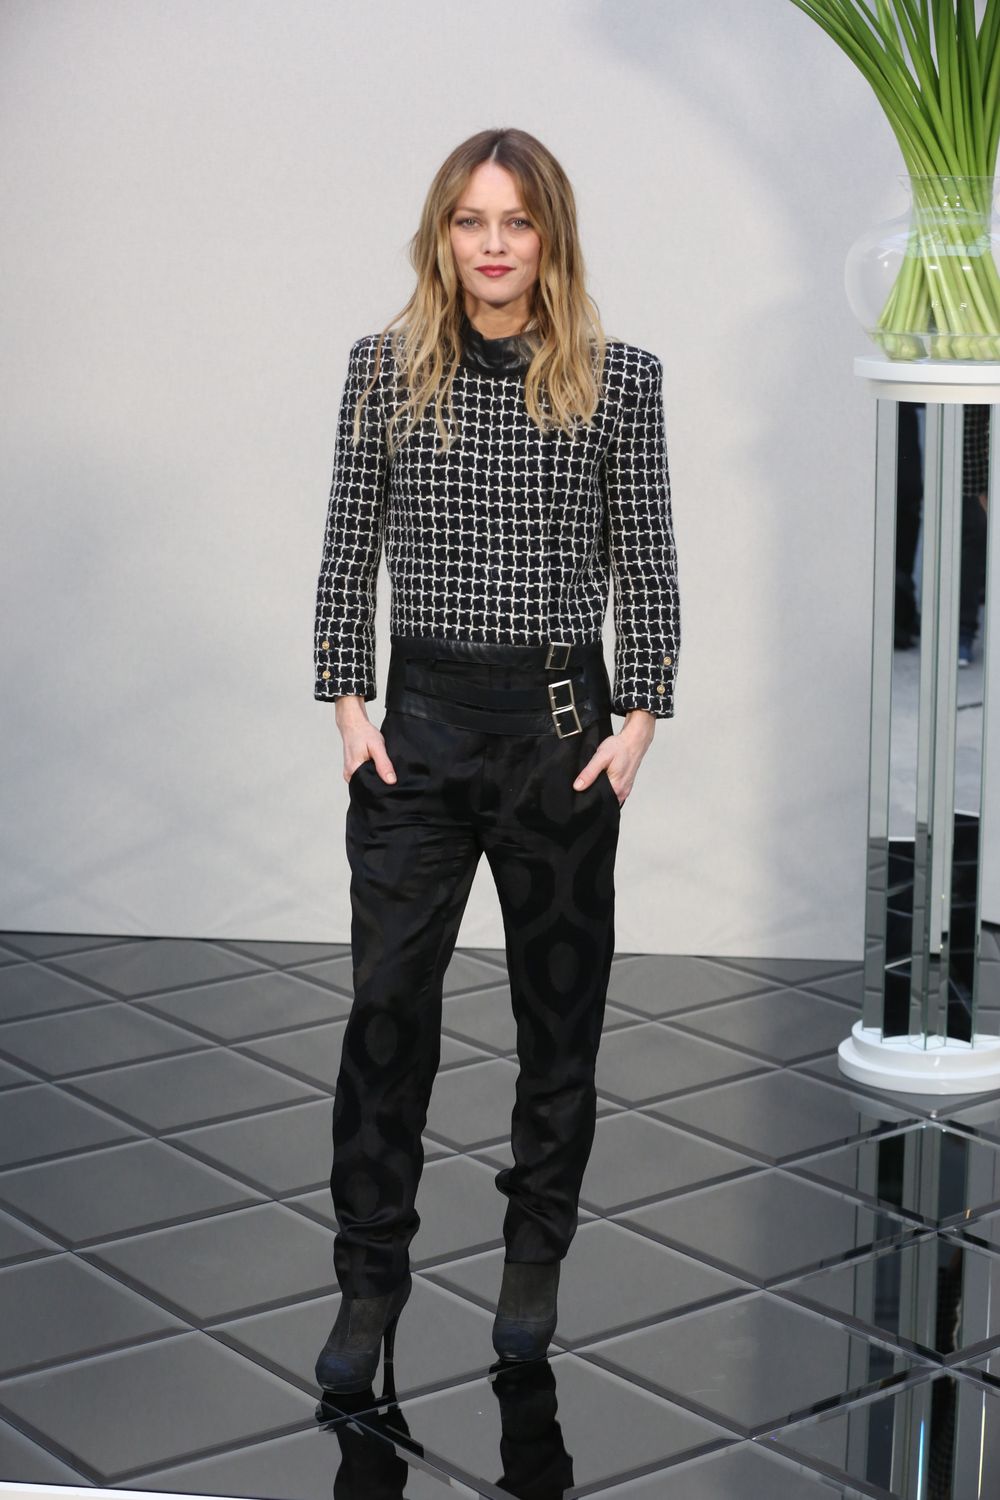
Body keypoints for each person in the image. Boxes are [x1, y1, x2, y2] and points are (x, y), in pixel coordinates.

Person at [311, 126, 681, 1393]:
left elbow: (648, 554)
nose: (492, 245)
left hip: (560, 737)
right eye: (471, 221)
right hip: (416, 734)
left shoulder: (618, 380)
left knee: (558, 1019)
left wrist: (641, 714)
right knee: (385, 1015)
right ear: (442, 233)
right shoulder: (383, 370)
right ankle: (370, 1275)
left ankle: (534, 1254)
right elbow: (347, 543)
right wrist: (347, 705)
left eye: (516, 221)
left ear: (549, 235)